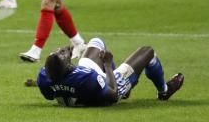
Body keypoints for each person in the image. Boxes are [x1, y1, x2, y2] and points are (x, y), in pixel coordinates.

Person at [33, 36, 184, 107]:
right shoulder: (86, 77)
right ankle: (164, 91)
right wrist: (107, 64)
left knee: (97, 42)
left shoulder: (44, 77)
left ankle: (126, 88)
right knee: (148, 52)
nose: (63, 49)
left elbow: (50, 93)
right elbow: (111, 95)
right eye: (62, 54)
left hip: (81, 88)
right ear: (66, 66)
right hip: (108, 86)